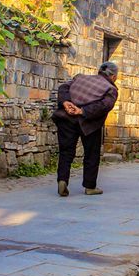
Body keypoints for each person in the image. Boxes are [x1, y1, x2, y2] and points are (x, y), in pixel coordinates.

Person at [52, 61, 119, 196]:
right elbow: (104, 106)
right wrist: (82, 111)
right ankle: (90, 187)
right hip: (90, 124)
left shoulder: (80, 77)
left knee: (66, 152)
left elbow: (64, 88)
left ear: (99, 71)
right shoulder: (111, 89)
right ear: (113, 76)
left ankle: (63, 180)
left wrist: (66, 102)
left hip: (67, 119)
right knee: (91, 154)